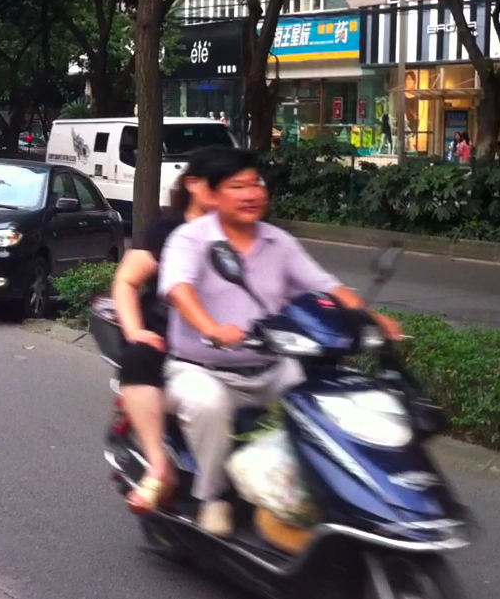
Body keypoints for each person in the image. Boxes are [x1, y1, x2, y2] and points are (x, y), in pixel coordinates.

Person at [158, 149, 402, 536]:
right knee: (208, 403)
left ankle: (321, 496)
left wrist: (370, 320)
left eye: (256, 183)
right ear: (214, 195)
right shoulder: (190, 239)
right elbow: (178, 288)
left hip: (271, 366)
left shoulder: (278, 242)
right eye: (237, 186)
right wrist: (211, 327)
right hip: (200, 369)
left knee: (327, 403)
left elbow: (326, 287)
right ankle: (213, 497)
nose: (251, 193)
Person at [112, 147, 226, 513]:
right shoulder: (168, 231)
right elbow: (127, 282)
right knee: (142, 357)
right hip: (173, 341)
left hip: (235, 343)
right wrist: (136, 331)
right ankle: (160, 467)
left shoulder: (249, 234)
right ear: (194, 184)